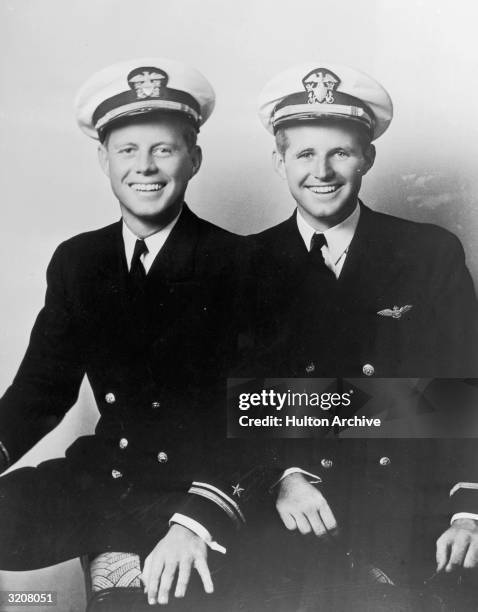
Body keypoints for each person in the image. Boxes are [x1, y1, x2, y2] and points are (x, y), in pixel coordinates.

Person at [0, 58, 258, 607]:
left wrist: (198, 518)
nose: (145, 167)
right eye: (127, 151)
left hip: (191, 491)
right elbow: (43, 389)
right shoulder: (78, 261)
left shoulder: (239, 263)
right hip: (104, 479)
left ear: (194, 158)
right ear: (103, 160)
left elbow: (262, 414)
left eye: (163, 149)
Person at [241, 62, 478, 608]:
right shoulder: (245, 263)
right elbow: (227, 398)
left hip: (412, 508)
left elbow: (466, 388)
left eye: (341, 152)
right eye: (304, 154)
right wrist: (279, 474)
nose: (321, 171)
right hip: (294, 507)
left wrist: (468, 509)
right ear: (279, 162)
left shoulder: (428, 253)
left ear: (368, 157)